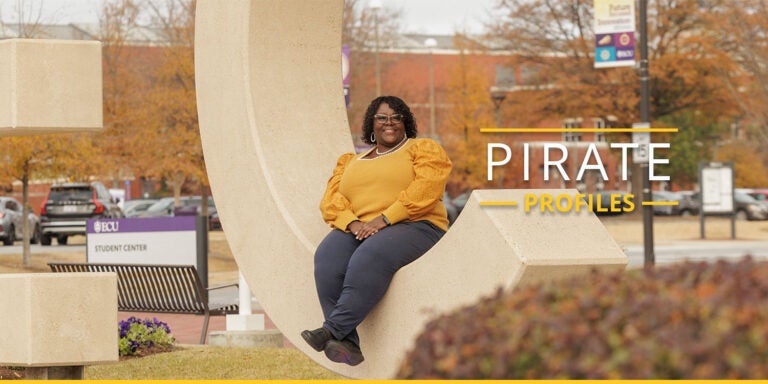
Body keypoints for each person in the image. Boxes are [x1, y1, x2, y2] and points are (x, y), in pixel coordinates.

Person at [301, 96, 452, 366]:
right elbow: (330, 200)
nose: (389, 123)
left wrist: (385, 218)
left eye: (396, 117)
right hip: (360, 227)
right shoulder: (349, 161)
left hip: (416, 224)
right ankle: (348, 344)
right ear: (372, 123)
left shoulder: (422, 149)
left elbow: (427, 189)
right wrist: (352, 223)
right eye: (382, 118)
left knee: (368, 257)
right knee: (327, 258)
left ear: (407, 122)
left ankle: (331, 330)